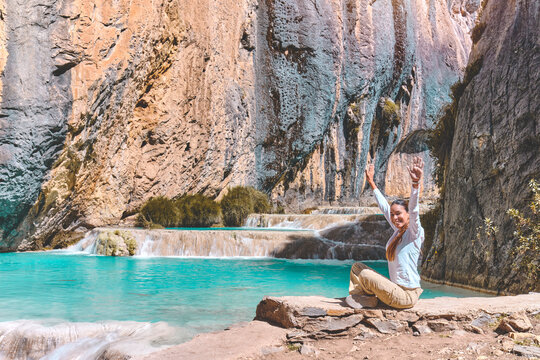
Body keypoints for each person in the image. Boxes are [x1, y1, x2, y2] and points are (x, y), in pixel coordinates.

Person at [346, 156, 425, 309]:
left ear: (408, 214)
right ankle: (364, 298)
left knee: (367, 276)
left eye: (399, 214)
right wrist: (371, 183)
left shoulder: (414, 233)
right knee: (357, 268)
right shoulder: (398, 231)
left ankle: (364, 300)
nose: (395, 217)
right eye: (393, 214)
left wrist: (415, 184)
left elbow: (414, 209)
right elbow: (384, 207)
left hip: (406, 296)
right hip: (395, 289)